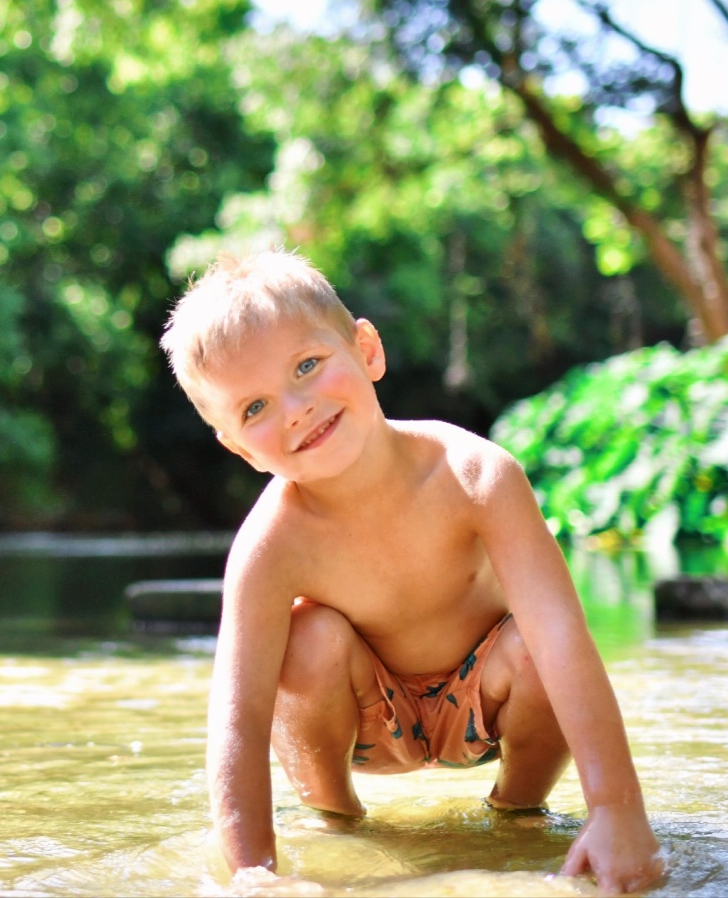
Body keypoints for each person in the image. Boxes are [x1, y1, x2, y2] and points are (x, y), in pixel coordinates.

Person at [160, 250, 664, 894]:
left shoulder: (477, 475)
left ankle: (517, 813)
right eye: (254, 409)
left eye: (307, 366)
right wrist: (251, 873)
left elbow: (562, 636)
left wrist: (618, 810)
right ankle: (336, 818)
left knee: (539, 651)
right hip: (367, 716)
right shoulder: (271, 543)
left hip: (487, 696)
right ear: (236, 447)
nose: (294, 409)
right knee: (306, 639)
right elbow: (238, 717)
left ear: (367, 349)